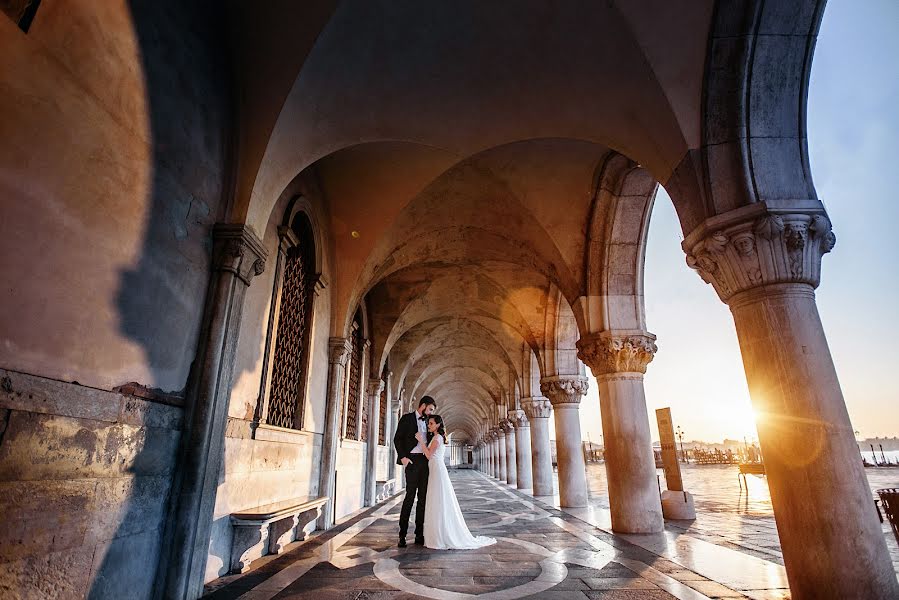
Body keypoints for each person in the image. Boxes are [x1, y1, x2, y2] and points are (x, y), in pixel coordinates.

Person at [414, 415, 496, 550]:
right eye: (429, 423)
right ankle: (436, 535)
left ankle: (440, 536)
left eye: (431, 423)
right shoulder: (436, 438)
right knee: (437, 500)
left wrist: (421, 441)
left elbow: (429, 455)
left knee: (438, 500)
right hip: (435, 469)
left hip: (437, 470)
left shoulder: (437, 438)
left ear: (438, 425)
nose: (429, 425)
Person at [394, 396, 437, 547]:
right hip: (411, 461)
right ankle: (402, 535)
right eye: (430, 409)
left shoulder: (428, 421)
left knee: (423, 500)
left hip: (425, 463)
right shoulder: (406, 419)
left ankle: (419, 534)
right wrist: (403, 457)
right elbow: (397, 439)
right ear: (423, 406)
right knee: (409, 498)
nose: (431, 412)